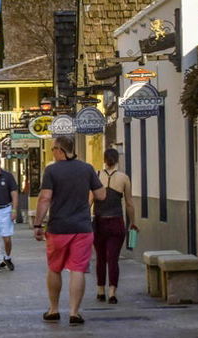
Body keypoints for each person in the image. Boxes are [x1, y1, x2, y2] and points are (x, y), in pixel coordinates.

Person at [33, 136, 101, 326]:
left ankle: (54, 310)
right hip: (82, 228)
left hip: (58, 228)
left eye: (53, 148)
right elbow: (101, 194)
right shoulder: (87, 169)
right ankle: (74, 312)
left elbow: (45, 198)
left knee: (55, 268)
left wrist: (38, 224)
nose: (52, 152)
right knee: (77, 269)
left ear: (60, 150)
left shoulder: (52, 170)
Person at [94, 148, 136, 303]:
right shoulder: (124, 178)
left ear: (104, 159)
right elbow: (129, 204)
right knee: (113, 258)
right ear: (117, 160)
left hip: (99, 222)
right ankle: (112, 292)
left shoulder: (97, 176)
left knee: (100, 258)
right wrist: (133, 222)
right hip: (116, 222)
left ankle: (100, 290)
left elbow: (89, 202)